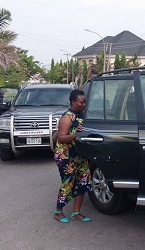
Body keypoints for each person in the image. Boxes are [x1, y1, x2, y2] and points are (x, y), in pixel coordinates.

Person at [52, 89, 92, 223]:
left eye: (85, 102)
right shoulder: (67, 117)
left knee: (84, 180)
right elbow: (61, 138)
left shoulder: (81, 115)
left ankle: (76, 213)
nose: (84, 105)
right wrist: (75, 135)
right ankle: (58, 212)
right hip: (65, 155)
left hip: (79, 154)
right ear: (73, 102)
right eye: (81, 103)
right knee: (68, 183)